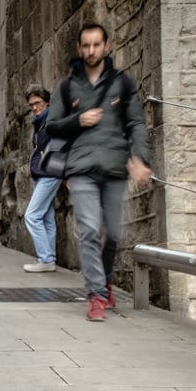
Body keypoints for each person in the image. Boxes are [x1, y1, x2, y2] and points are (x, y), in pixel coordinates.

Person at [46, 23, 151, 322]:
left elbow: (137, 124)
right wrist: (78, 119)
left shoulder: (123, 84)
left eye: (96, 45)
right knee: (90, 229)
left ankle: (104, 281)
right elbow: (52, 125)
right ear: (79, 48)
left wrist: (140, 158)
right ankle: (95, 294)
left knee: (113, 234)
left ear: (106, 46)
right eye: (86, 46)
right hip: (81, 168)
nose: (91, 51)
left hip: (116, 167)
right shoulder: (66, 87)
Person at [22, 85, 62, 272]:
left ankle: (45, 259)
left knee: (32, 215)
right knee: (47, 217)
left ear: (47, 102)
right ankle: (50, 258)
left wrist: (67, 173)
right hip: (44, 173)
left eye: (37, 103)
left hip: (50, 172)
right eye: (31, 105)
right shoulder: (40, 122)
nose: (34, 108)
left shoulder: (52, 119)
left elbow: (64, 146)